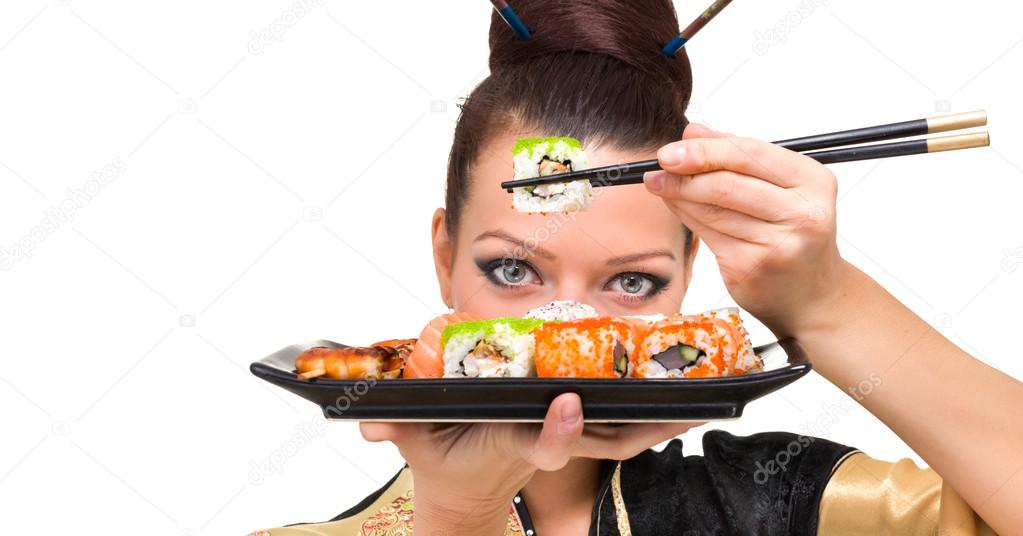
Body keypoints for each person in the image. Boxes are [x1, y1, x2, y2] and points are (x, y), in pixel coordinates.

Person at [253, 1, 1022, 534]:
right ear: (446, 255)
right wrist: (458, 516)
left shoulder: (785, 504)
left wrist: (823, 305)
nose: (570, 323)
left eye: (632, 283)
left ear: (689, 277)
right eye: (515, 271)